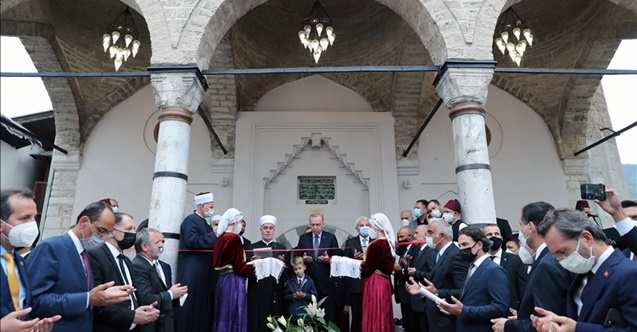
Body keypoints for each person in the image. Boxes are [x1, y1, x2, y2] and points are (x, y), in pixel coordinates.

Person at [28, 201, 133, 331]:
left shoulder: (85, 255)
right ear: (83, 222)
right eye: (101, 230)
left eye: (108, 233)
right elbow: (35, 300)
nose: (104, 237)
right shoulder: (51, 248)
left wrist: (104, 297)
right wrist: (87, 299)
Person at [532, 207, 637, 332]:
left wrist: (577, 329)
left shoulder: (629, 274)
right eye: (556, 255)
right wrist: (557, 324)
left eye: (563, 252)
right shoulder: (582, 272)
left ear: (586, 238)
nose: (561, 260)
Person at [491, 201, 572, 332]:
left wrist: (508, 326)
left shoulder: (547, 264)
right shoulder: (547, 258)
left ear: (530, 227)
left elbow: (548, 323)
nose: (520, 231)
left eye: (520, 225)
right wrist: (522, 317)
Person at [417, 226, 509, 332]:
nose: (461, 249)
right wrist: (453, 312)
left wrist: (463, 310)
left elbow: (500, 308)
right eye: (460, 246)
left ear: (479, 245)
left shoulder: (494, 270)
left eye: (465, 245)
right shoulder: (470, 268)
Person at [1, 189, 61, 332]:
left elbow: (21, 307)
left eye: (34, 217)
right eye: (24, 218)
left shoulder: (19, 261)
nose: (33, 224)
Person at [89, 212, 160, 331]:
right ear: (112, 231)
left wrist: (144, 310)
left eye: (134, 229)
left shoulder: (126, 260)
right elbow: (96, 302)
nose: (133, 233)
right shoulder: (96, 255)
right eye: (128, 229)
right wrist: (132, 316)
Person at [175, 192, 217, 332]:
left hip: (205, 273)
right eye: (210, 207)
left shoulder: (205, 224)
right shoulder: (191, 220)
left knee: (202, 310)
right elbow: (192, 242)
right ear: (201, 206)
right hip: (193, 272)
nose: (212, 210)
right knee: (191, 309)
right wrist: (214, 235)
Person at [132, 228, 188, 332]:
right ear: (144, 246)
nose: (161, 245)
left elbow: (164, 293)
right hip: (150, 325)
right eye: (158, 242)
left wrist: (178, 295)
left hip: (166, 324)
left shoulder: (165, 266)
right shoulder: (137, 266)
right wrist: (171, 294)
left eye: (163, 241)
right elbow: (146, 299)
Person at [417, 218, 468, 332]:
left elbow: (462, 290)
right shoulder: (440, 253)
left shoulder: (455, 255)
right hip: (436, 317)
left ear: (441, 236)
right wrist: (424, 291)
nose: (427, 236)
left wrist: (436, 292)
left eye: (430, 232)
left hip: (446, 319)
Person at [213, 208, 255, 332]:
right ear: (235, 222)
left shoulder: (221, 238)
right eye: (240, 222)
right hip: (234, 281)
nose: (241, 225)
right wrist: (255, 268)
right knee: (234, 313)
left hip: (223, 280)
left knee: (223, 313)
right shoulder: (234, 238)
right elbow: (240, 267)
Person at [246, 215, 289, 332]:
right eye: (265, 228)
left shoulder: (281, 248)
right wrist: (252, 262)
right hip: (257, 289)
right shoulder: (251, 247)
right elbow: (245, 270)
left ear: (274, 230)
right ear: (261, 230)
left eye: (271, 228)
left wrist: (282, 263)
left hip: (275, 289)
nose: (268, 230)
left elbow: (288, 271)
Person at [295, 213, 341, 324]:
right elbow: (297, 257)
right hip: (309, 284)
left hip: (326, 283)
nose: (315, 227)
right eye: (313, 225)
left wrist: (328, 259)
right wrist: (303, 259)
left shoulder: (331, 237)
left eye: (318, 224)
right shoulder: (303, 238)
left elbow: (337, 258)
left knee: (327, 318)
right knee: (309, 319)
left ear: (323, 224)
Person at [360, 213, 396, 332]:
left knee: (374, 311)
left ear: (376, 227)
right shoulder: (389, 243)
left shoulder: (376, 245)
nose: (369, 229)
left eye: (370, 226)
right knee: (383, 312)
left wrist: (357, 265)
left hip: (374, 282)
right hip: (384, 282)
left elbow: (367, 269)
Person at [482, 224, 528, 309]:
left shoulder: (515, 260)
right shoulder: (479, 261)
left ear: (501, 238)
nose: (493, 237)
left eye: (496, 234)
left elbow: (523, 288)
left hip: (509, 312)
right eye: (489, 235)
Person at [342, 216, 373, 332]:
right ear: (356, 229)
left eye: (367, 225)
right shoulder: (350, 242)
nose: (365, 228)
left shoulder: (375, 242)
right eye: (362, 225)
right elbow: (344, 265)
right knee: (357, 317)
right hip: (356, 287)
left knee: (371, 316)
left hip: (372, 284)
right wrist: (353, 260)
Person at [406, 224, 436, 332]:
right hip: (417, 300)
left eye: (417, 233)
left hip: (424, 298)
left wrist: (416, 272)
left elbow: (432, 274)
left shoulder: (430, 252)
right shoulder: (419, 251)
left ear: (425, 235)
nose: (414, 236)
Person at [393, 226, 418, 331]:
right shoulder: (404, 251)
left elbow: (413, 272)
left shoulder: (415, 250)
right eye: (398, 237)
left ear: (409, 236)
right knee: (407, 325)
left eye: (401, 237)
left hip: (410, 295)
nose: (399, 240)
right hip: (402, 295)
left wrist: (400, 270)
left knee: (413, 325)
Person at [285, 256, 317, 322]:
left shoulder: (310, 281)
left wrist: (306, 295)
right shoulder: (290, 282)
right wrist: (293, 296)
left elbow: (315, 296)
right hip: (294, 315)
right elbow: (286, 297)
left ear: (304, 267)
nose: (298, 271)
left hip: (307, 315)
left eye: (300, 268)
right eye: (295, 269)